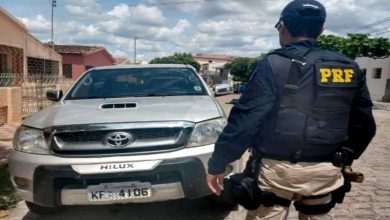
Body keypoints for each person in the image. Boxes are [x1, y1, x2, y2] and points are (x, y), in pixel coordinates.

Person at [206, 0, 376, 219]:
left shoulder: (272, 64)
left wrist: (218, 164)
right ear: (321, 30)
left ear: (283, 26)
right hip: (326, 171)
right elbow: (365, 124)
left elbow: (245, 121)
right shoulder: (349, 67)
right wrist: (344, 157)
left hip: (277, 173)